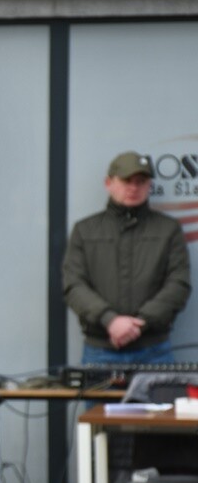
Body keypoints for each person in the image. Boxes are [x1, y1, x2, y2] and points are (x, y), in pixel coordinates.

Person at [63, 151, 191, 366]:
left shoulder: (169, 229)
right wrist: (110, 320)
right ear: (108, 183)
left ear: (149, 185)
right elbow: (74, 285)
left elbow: (178, 284)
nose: (133, 188)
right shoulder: (85, 230)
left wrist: (140, 324)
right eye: (126, 181)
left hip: (155, 351)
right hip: (100, 352)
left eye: (140, 182)